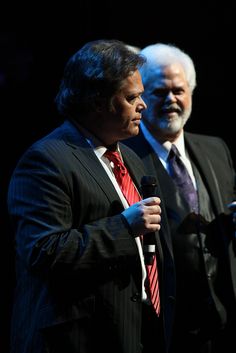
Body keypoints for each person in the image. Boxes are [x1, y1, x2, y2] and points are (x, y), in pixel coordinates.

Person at [7, 39, 170, 353]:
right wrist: (123, 227)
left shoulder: (130, 158)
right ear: (98, 101)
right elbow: (43, 252)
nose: (143, 106)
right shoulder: (46, 159)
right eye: (132, 97)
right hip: (77, 340)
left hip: (133, 331)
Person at [124, 43, 236, 353]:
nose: (171, 100)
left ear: (191, 92)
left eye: (179, 90)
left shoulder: (216, 149)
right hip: (162, 331)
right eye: (160, 92)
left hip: (221, 325)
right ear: (141, 98)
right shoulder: (124, 156)